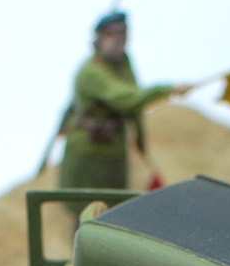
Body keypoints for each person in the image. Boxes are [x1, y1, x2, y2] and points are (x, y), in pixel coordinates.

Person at [58, 11, 190, 196]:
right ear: (99, 38)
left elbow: (134, 104)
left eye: (123, 33)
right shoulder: (89, 73)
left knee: (116, 200)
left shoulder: (123, 63)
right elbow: (126, 99)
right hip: (88, 153)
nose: (119, 39)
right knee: (83, 203)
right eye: (112, 34)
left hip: (115, 152)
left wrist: (140, 138)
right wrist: (168, 90)